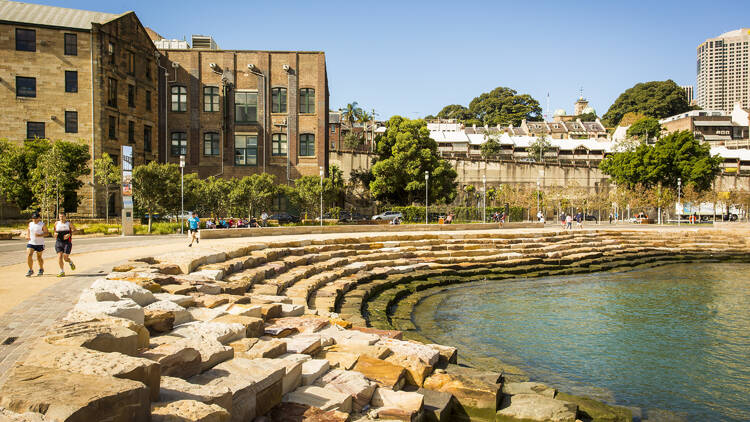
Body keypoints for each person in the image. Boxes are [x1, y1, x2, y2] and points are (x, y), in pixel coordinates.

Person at [53, 212, 76, 277]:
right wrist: (55, 234)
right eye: (60, 216)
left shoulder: (69, 224)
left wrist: (69, 234)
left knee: (65, 258)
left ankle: (70, 262)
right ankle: (62, 271)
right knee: (59, 256)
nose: (61, 218)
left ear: (65, 217)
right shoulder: (56, 223)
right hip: (58, 242)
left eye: (63, 216)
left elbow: (75, 230)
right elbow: (54, 232)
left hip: (67, 243)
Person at [25, 211, 47, 277]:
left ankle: (41, 268)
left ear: (39, 218)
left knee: (39, 257)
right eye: (33, 218)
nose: (34, 219)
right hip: (31, 242)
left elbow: (46, 233)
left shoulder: (42, 224)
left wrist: (40, 235)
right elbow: (28, 230)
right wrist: (27, 235)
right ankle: (30, 270)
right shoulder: (30, 224)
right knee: (29, 254)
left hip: (40, 243)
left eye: (35, 218)